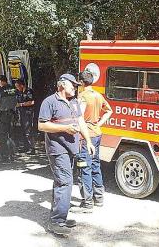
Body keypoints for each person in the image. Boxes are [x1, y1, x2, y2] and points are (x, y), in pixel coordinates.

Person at [38, 74, 95, 236]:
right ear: (62, 85)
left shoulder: (75, 102)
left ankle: (58, 217)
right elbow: (42, 125)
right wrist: (65, 129)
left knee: (61, 182)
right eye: (72, 85)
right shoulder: (49, 102)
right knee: (65, 182)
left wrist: (89, 142)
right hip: (57, 149)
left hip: (71, 149)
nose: (75, 88)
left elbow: (81, 121)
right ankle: (57, 221)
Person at [73, 70, 113, 213]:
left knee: (84, 167)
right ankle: (99, 198)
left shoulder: (82, 97)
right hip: (97, 134)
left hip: (85, 137)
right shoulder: (97, 95)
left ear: (81, 83)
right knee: (95, 164)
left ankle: (87, 203)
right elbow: (109, 111)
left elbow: (79, 117)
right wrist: (99, 123)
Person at [0, 75, 18, 162]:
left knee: (3, 136)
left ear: (1, 81)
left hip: (2, 115)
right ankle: (12, 154)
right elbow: (17, 101)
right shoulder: (13, 89)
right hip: (12, 114)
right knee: (11, 135)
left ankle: (5, 157)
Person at [15, 79, 35, 154]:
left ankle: (31, 148)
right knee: (23, 130)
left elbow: (32, 102)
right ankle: (25, 147)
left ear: (22, 85)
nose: (17, 88)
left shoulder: (29, 91)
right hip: (21, 113)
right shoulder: (18, 92)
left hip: (28, 113)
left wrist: (21, 104)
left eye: (17, 86)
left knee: (28, 130)